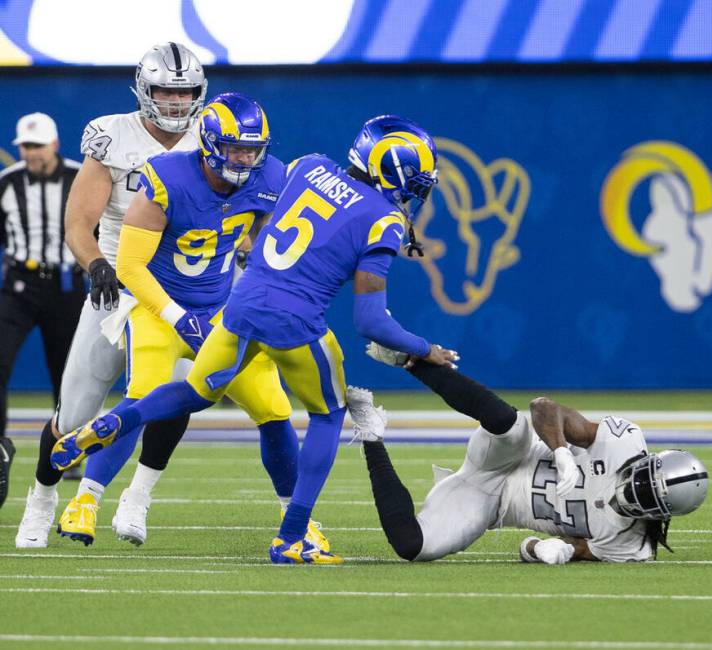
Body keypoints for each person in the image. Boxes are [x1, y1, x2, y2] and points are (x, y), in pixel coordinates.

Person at [53, 115, 459, 564]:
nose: (417, 193)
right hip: (295, 321)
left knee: (193, 391)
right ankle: (291, 535)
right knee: (328, 414)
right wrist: (425, 349)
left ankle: (114, 422)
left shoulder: (309, 167)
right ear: (393, 171)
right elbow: (371, 322)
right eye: (416, 183)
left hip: (241, 304)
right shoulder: (384, 220)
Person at [52, 93, 330, 556]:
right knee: (143, 397)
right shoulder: (166, 178)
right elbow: (132, 267)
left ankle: (296, 521)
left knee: (273, 407)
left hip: (223, 308)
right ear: (209, 143)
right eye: (236, 148)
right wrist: (178, 318)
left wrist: (252, 248)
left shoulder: (269, 176)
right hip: (159, 307)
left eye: (253, 148)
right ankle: (85, 501)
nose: (246, 158)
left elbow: (265, 234)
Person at [14, 42, 206, 547]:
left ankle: (137, 497)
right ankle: (41, 496)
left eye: (184, 91)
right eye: (166, 90)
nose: (175, 102)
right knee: (76, 414)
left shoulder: (212, 136)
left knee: (177, 395)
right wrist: (96, 262)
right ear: (145, 89)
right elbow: (78, 222)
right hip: (119, 289)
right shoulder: (111, 136)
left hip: (183, 292)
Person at [345, 348, 709, 563]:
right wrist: (562, 451)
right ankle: (411, 360)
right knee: (508, 421)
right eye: (642, 478)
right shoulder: (622, 441)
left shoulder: (631, 545)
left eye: (646, 497)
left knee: (413, 547)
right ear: (650, 459)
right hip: (510, 457)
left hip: (491, 503)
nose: (633, 491)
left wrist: (542, 549)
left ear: (660, 515)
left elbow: (557, 548)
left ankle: (370, 431)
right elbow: (542, 407)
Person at [0, 113, 85, 509]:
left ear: (53, 144)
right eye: (25, 146)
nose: (30, 153)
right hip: (19, 283)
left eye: (36, 146)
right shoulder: (8, 182)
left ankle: (67, 448)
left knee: (67, 371)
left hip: (67, 284)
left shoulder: (81, 177)